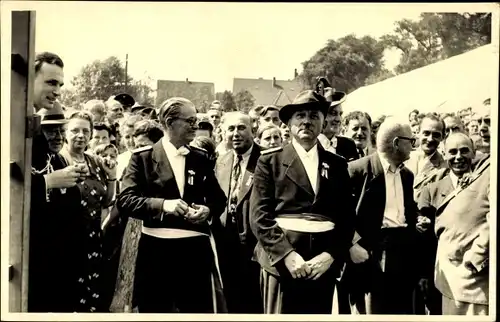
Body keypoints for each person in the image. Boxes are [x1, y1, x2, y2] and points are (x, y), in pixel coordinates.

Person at [116, 97, 227, 313]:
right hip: (157, 252)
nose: (195, 126)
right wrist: (163, 205)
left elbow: (218, 199)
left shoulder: (200, 157)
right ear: (169, 122)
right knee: (156, 313)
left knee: (196, 314)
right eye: (190, 121)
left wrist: (208, 210)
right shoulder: (143, 158)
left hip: (195, 253)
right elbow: (125, 200)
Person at [250, 90, 355, 314]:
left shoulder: (337, 165)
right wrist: (286, 255)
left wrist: (330, 256)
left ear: (323, 122)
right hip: (282, 265)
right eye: (300, 116)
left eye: (314, 116)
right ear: (288, 123)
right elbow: (259, 216)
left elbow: (347, 219)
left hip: (322, 267)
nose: (307, 121)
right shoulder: (270, 161)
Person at [346, 117, 420, 314]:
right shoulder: (357, 171)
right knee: (373, 313)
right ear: (397, 143)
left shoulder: (407, 175)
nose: (414, 146)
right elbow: (339, 214)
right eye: (411, 141)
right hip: (370, 258)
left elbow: (406, 211)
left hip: (402, 255)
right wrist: (352, 244)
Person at [28, 103, 93, 312]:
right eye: (50, 130)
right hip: (35, 262)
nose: (57, 136)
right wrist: (47, 182)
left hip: (62, 263)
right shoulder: (24, 160)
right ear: (37, 131)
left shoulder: (58, 161)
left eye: (59, 130)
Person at [418, 133, 490, 315]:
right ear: (444, 154)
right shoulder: (431, 188)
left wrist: (477, 255)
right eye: (453, 152)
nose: (458, 157)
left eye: (464, 151)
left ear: (474, 153)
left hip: (474, 283)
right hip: (444, 280)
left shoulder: (486, 179)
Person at [214, 112, 264, 313]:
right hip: (226, 247)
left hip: (256, 248)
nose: (236, 133)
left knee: (255, 305)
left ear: (253, 130)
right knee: (231, 304)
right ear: (223, 133)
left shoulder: (267, 160)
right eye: (231, 129)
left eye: (241, 128)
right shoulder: (220, 162)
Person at [405, 114, 447, 200]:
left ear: (442, 137)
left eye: (436, 135)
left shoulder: (444, 168)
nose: (430, 139)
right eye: (426, 133)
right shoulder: (405, 158)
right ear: (418, 133)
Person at [317, 93, 358, 162]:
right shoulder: (311, 146)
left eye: (340, 114)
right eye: (333, 113)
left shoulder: (348, 145)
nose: (338, 119)